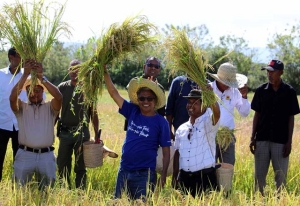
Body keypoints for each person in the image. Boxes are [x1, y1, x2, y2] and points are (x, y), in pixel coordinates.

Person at [103, 66, 171, 200]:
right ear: (137, 99)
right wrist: (104, 71)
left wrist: (163, 176)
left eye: (149, 99)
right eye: (142, 98)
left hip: (145, 175)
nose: (145, 102)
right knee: (118, 202)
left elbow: (166, 152)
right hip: (124, 170)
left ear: (155, 101)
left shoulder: (161, 122)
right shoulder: (132, 111)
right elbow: (113, 93)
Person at [9, 60, 62, 189]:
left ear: (43, 92)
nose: (35, 93)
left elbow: (59, 97)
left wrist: (41, 77)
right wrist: (25, 74)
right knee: (20, 192)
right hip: (25, 155)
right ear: (26, 92)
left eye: (38, 90)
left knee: (47, 193)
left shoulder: (50, 107)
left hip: (46, 157)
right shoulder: (22, 108)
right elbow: (12, 97)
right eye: (31, 90)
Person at [250, 59, 300, 195]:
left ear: (281, 73)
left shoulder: (289, 92)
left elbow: (291, 118)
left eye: (273, 72)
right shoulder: (261, 91)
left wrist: (289, 142)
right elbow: (257, 115)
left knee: (281, 178)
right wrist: (252, 137)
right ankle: (259, 202)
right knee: (259, 176)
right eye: (268, 71)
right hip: (262, 140)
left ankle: (280, 202)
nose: (269, 74)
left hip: (281, 142)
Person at [56, 59, 99, 189]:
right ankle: (64, 191)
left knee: (80, 166)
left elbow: (94, 113)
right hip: (64, 132)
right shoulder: (62, 88)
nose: (74, 72)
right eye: (72, 69)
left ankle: (80, 193)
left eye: (78, 69)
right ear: (68, 71)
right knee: (62, 164)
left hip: (82, 133)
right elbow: (55, 111)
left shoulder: (88, 89)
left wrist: (97, 134)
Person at [172, 89, 220, 197]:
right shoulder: (181, 128)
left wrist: (210, 96)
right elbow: (177, 153)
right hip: (184, 178)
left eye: (195, 103)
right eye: (189, 102)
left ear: (204, 106)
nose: (190, 105)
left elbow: (217, 114)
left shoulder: (208, 123)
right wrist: (175, 176)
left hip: (204, 178)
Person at [207, 62, 251, 166]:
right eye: (226, 82)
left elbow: (244, 113)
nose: (228, 84)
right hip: (209, 135)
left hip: (227, 137)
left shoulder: (235, 92)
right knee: (209, 166)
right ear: (219, 79)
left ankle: (224, 183)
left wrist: (244, 96)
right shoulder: (208, 89)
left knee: (228, 166)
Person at [0, 47, 28, 181]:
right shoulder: (0, 75)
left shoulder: (28, 77)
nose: (21, 59)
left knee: (20, 159)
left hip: (21, 125)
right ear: (11, 57)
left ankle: (18, 186)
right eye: (18, 56)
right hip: (1, 125)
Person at [123, 56, 165, 131]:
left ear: (159, 70)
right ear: (144, 67)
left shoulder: (160, 88)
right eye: (150, 65)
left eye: (156, 66)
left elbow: (161, 110)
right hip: (135, 124)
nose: (153, 68)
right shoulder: (136, 82)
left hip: (152, 126)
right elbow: (129, 90)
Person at [166, 75, 198, 140]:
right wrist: (168, 130)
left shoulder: (205, 84)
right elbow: (169, 108)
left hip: (201, 131)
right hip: (180, 130)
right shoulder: (177, 82)